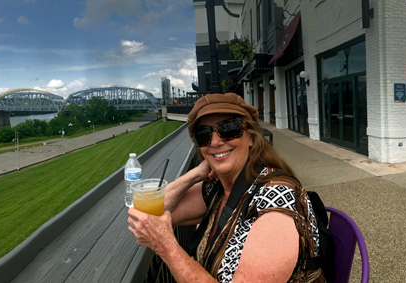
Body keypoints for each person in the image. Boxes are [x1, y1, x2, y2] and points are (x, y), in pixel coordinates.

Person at [127, 93, 325, 282]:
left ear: (252, 138)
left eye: (229, 129)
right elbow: (150, 212)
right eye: (203, 135)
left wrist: (167, 248)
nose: (215, 141)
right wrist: (195, 174)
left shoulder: (276, 198)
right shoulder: (218, 189)